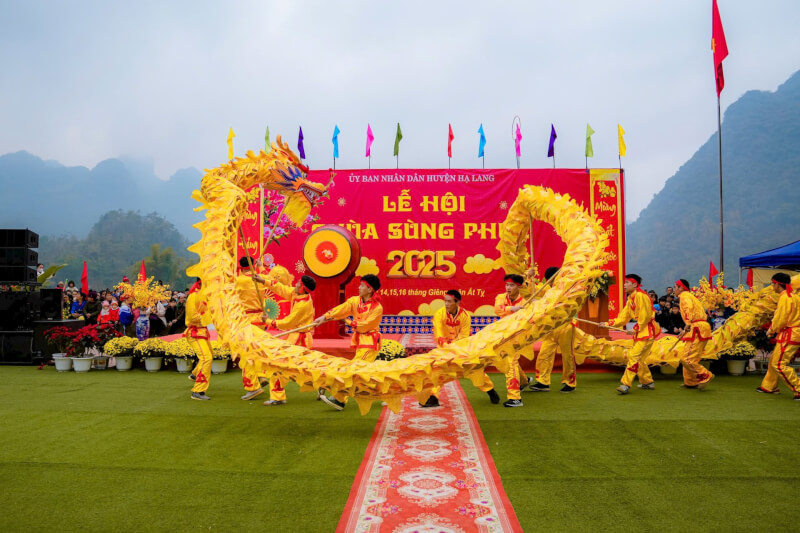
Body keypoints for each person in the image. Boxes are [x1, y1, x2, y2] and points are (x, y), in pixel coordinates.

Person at [313, 274, 383, 411]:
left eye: (362, 285)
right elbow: (341, 309)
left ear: (369, 289)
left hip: (370, 344)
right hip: (361, 342)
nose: (359, 287)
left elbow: (364, 326)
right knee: (364, 373)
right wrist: (324, 317)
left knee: (353, 370)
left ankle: (339, 399)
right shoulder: (355, 301)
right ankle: (386, 393)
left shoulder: (377, 308)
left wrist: (346, 321)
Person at [421, 290, 501, 407]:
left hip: (461, 349)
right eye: (445, 301)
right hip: (443, 349)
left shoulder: (465, 316)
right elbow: (438, 333)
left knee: (474, 370)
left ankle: (490, 390)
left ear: (457, 302)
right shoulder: (439, 314)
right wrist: (446, 347)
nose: (446, 304)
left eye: (449, 301)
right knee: (437, 371)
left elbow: (464, 336)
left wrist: (454, 347)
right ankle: (433, 397)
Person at [263, 275, 317, 406]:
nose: (296, 285)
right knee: (306, 368)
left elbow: (288, 322)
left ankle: (277, 396)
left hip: (298, 338)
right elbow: (282, 289)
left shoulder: (302, 305)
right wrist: (263, 280)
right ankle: (323, 386)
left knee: (279, 365)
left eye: (299, 284)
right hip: (298, 337)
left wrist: (268, 321)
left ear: (303, 288)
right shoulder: (297, 294)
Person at [602, 273, 659, 394]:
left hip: (646, 333)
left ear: (634, 284)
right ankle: (647, 382)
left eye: (627, 282)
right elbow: (623, 318)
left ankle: (625, 384)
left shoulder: (640, 296)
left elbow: (646, 315)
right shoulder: (630, 299)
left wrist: (636, 328)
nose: (624, 285)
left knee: (634, 356)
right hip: (641, 333)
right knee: (639, 359)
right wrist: (607, 324)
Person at [531, 267, 579, 393]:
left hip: (565, 326)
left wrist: (542, 303)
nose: (552, 283)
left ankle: (570, 382)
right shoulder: (547, 289)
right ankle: (542, 382)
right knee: (544, 354)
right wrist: (528, 277)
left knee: (567, 355)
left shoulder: (568, 288)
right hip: (550, 327)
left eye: (553, 280)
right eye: (549, 281)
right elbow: (531, 291)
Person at [756, 273, 800, 399]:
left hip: (790, 333)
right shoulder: (794, 296)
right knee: (774, 360)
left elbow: (781, 318)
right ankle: (770, 386)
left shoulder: (785, 297)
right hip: (792, 333)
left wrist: (772, 329)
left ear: (777, 284)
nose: (772, 286)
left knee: (779, 364)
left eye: (772, 283)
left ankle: (798, 387)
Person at [494, 273, 531, 407]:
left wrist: (523, 311)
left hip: (518, 335)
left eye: (511, 285)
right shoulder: (501, 297)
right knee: (510, 360)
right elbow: (497, 310)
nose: (508, 287)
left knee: (510, 362)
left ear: (518, 286)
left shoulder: (525, 301)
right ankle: (524, 381)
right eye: (507, 284)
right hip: (504, 334)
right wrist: (512, 309)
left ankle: (515, 398)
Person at [236, 256, 269, 401]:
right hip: (260, 319)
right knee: (257, 349)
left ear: (241, 267)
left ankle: (252, 387)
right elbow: (268, 277)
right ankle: (261, 375)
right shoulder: (260, 278)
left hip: (247, 320)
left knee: (246, 353)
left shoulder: (239, 281)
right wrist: (260, 267)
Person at [674, 279, 714, 389]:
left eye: (675, 287)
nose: (674, 290)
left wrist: (687, 323)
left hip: (696, 327)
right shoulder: (690, 296)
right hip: (698, 326)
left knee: (687, 359)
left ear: (680, 288)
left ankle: (705, 375)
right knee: (689, 356)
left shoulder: (684, 296)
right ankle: (690, 382)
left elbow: (688, 309)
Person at [185, 279, 213, 400]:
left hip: (202, 332)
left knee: (210, 354)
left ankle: (195, 374)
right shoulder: (193, 296)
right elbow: (192, 317)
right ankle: (198, 391)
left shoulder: (205, 296)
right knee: (207, 358)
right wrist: (209, 316)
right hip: (195, 332)